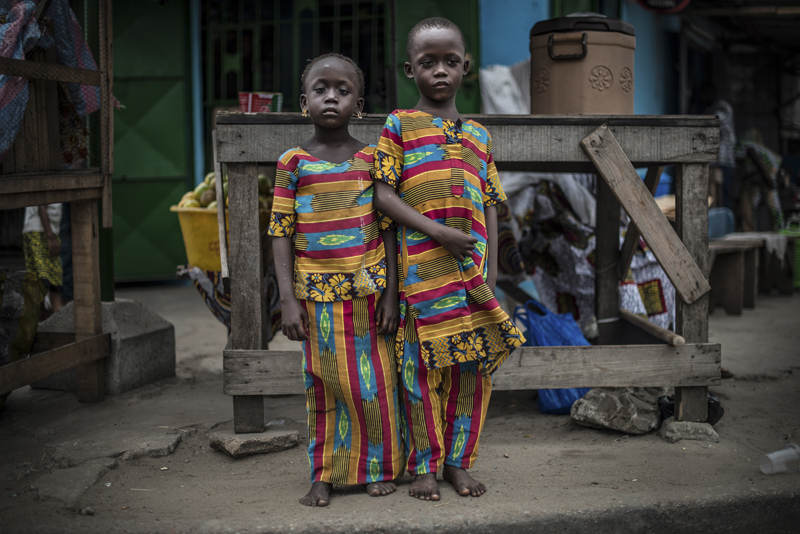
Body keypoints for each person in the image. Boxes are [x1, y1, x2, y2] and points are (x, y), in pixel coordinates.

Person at [372, 17, 524, 501]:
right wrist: (437, 232)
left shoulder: (479, 136)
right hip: (421, 282)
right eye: (428, 62)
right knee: (418, 376)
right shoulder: (398, 125)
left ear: (467, 67)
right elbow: (382, 196)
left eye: (451, 62)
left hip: (471, 283)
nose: (440, 71)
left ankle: (459, 463)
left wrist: (493, 273)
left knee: (473, 376)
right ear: (409, 70)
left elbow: (492, 206)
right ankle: (425, 466)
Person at [268, 53, 404, 507]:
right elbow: (281, 231)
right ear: (304, 103)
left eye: (342, 90)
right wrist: (287, 300)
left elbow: (387, 228)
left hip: (367, 293)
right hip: (316, 299)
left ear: (359, 104)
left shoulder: (372, 159)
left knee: (373, 384)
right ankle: (324, 472)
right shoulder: (293, 163)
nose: (331, 97)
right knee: (323, 385)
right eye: (320, 90)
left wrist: (390, 294)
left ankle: (375, 468)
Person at [22, 204, 63, 318]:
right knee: (42, 276)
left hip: (47, 230)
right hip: (39, 230)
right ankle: (45, 311)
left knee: (54, 275)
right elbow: (41, 205)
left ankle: (48, 311)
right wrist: (49, 236)